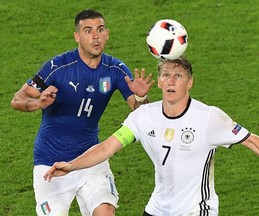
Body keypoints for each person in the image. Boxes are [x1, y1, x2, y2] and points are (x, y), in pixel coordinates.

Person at [44, 56, 259, 216]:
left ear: (189, 82)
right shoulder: (144, 116)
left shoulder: (209, 118)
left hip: (196, 210)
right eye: (165, 76)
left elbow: (253, 140)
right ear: (159, 82)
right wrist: (71, 166)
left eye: (178, 76)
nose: (171, 81)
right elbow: (107, 147)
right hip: (158, 209)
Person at [11, 9, 154, 216]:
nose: (95, 36)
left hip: (90, 160)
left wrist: (141, 97)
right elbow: (18, 99)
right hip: (50, 163)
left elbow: (143, 118)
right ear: (77, 36)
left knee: (105, 212)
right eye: (88, 31)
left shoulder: (116, 69)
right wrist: (38, 103)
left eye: (100, 29)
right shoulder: (57, 67)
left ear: (107, 34)